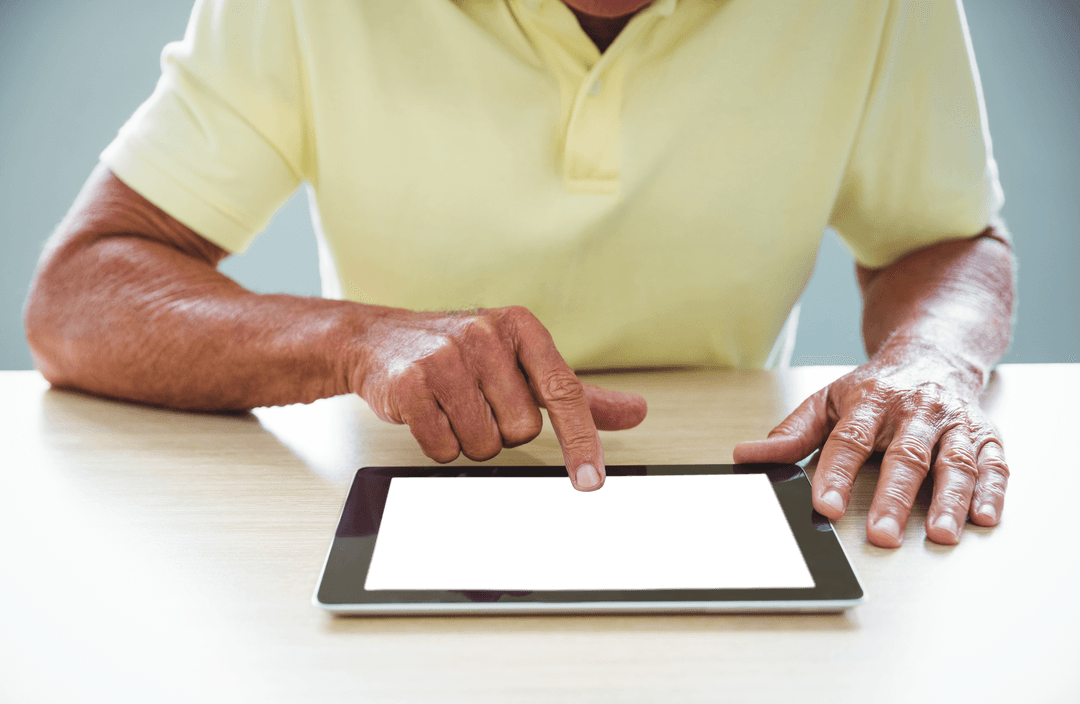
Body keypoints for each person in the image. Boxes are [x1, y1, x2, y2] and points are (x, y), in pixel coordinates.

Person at [23, 0, 1015, 548]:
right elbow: (79, 293)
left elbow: (945, 240)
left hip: (730, 486)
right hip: (407, 483)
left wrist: (932, 358)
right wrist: (356, 339)